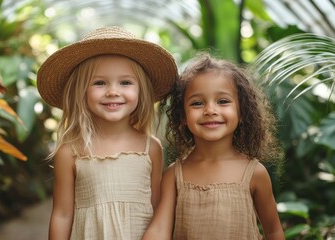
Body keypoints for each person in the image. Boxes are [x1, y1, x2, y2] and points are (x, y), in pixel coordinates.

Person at [36, 26, 178, 240]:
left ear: (142, 91)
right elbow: (62, 215)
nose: (113, 91)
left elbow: (158, 210)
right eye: (100, 82)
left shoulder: (151, 148)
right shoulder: (71, 151)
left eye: (126, 82)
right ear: (80, 91)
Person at [142, 53, 284, 240]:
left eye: (223, 101)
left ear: (242, 112)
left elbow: (273, 231)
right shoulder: (174, 174)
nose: (210, 110)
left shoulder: (255, 173)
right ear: (182, 116)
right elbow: (159, 230)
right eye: (197, 103)